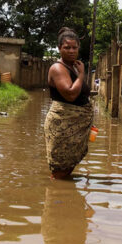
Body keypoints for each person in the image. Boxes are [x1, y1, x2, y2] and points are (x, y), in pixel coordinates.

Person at [45, 27, 93, 180]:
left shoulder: (74, 67)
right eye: (67, 47)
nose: (71, 51)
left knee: (67, 168)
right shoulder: (58, 68)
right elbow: (71, 94)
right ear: (59, 48)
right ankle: (55, 192)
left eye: (74, 47)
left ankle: (60, 192)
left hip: (75, 125)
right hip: (63, 125)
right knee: (60, 170)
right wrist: (82, 74)